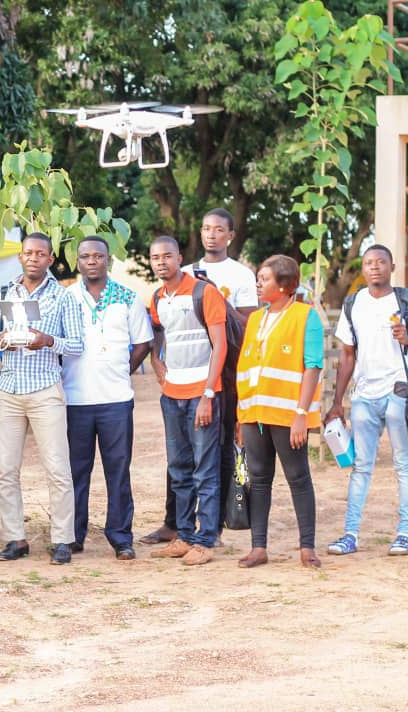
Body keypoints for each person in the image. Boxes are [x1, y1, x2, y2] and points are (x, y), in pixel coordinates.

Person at [142, 208, 257, 546]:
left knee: (214, 452)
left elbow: (245, 326)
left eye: (219, 229)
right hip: (178, 383)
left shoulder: (238, 275)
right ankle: (176, 524)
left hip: (221, 373)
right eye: (206, 228)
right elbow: (161, 325)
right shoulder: (181, 274)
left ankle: (213, 528)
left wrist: (216, 298)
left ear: (230, 235)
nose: (211, 235)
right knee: (180, 459)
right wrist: (157, 357)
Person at [325, 244, 408, 557]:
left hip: (399, 392)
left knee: (403, 463)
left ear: (393, 266)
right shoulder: (353, 303)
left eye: (380, 262)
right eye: (368, 263)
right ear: (363, 269)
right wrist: (337, 403)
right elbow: (347, 356)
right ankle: (350, 534)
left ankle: (405, 534)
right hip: (363, 396)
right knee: (361, 465)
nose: (374, 267)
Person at [0, 233, 84, 565]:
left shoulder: (63, 297)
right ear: (20, 256)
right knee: (6, 470)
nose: (34, 258)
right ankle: (15, 537)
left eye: (41, 254)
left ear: (51, 259)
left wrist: (47, 341)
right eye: (28, 253)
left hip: (44, 390)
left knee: (57, 468)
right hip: (9, 390)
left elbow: (76, 345)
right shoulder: (6, 292)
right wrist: (1, 339)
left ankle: (62, 540)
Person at [62, 236, 153, 560]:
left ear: (108, 259)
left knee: (118, 471)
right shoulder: (66, 297)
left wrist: (121, 370)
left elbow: (143, 343)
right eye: (85, 256)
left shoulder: (127, 298)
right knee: (76, 471)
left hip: (115, 399)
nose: (91, 261)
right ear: (78, 261)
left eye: (97, 256)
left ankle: (120, 536)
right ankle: (73, 535)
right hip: (75, 400)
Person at [235, 255, 324, 569]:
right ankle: (259, 548)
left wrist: (301, 413)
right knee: (258, 480)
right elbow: (248, 366)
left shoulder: (305, 316)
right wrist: (241, 414)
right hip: (254, 415)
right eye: (258, 278)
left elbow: (312, 366)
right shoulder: (257, 319)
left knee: (298, 478)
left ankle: (307, 547)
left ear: (285, 285)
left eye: (265, 278)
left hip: (288, 416)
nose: (259, 283)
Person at [147, 236, 227, 566]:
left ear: (180, 258)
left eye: (167, 256)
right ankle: (183, 535)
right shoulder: (157, 298)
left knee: (204, 470)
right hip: (172, 395)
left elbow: (220, 345)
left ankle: (206, 540)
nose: (161, 262)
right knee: (178, 470)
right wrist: (156, 362)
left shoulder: (204, 292)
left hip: (202, 394)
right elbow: (158, 334)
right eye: (155, 257)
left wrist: (208, 393)